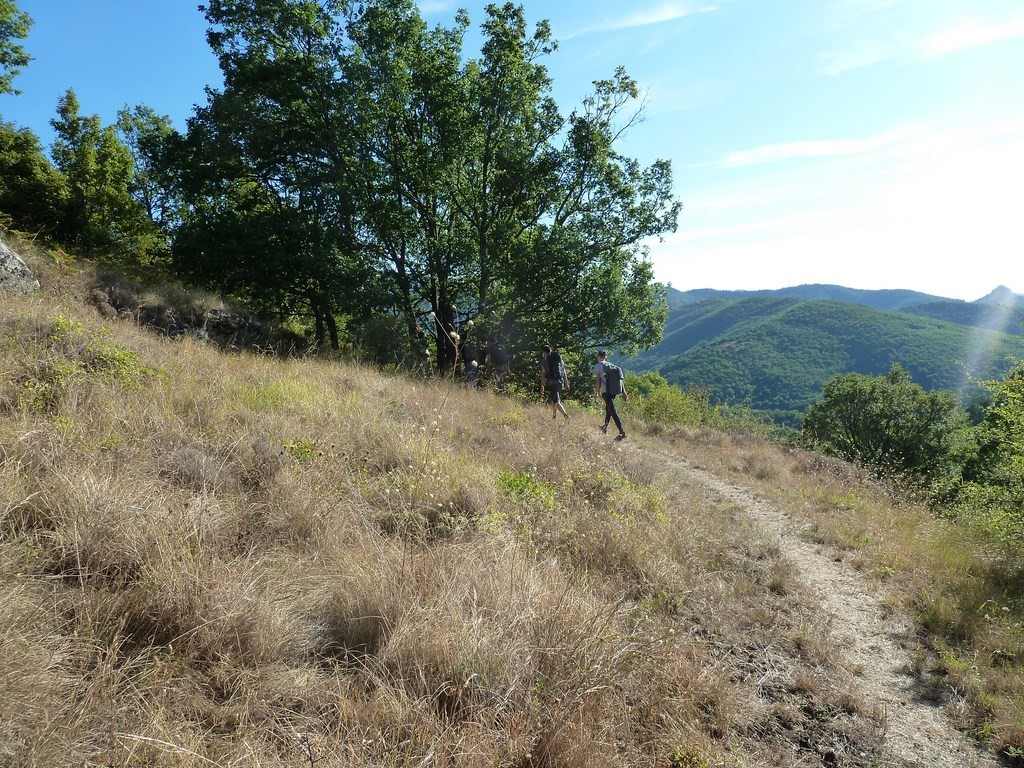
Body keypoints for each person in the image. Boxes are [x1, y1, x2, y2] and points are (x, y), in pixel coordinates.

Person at [594, 349, 627, 440]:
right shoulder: (612, 365)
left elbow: (597, 381)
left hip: (606, 391)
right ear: (606, 357)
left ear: (598, 356)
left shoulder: (598, 366)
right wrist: (624, 392)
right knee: (609, 408)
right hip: (614, 390)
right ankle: (604, 427)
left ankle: (621, 431)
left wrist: (596, 393)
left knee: (612, 410)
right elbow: (620, 380)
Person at [540, 344, 570, 420]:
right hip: (560, 382)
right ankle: (554, 417)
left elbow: (543, 374)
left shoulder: (544, 361)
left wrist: (542, 386)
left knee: (556, 401)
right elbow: (564, 371)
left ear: (544, 352)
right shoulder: (558, 359)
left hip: (552, 382)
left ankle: (566, 416)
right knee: (555, 400)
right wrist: (566, 382)